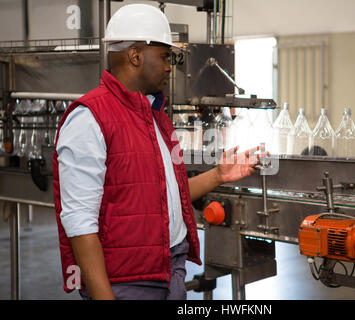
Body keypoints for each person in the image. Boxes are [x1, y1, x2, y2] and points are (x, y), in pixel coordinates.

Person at [53, 4, 265, 300]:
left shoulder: (154, 117)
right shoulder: (90, 118)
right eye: (165, 56)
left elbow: (166, 195)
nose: (169, 66)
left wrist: (218, 174)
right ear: (135, 55)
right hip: (126, 282)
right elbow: (79, 222)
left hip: (168, 271)